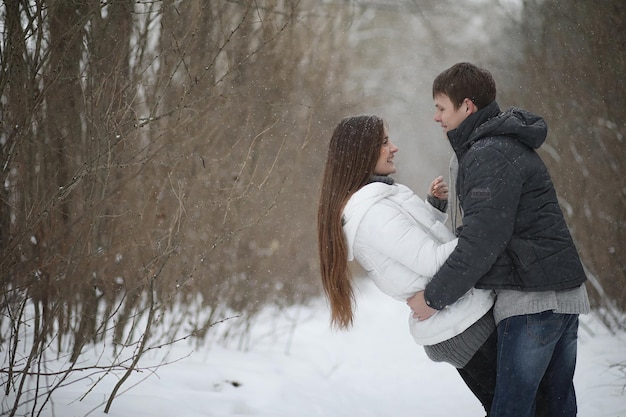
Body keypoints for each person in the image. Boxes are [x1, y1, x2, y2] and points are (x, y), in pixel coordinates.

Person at [407, 62, 590, 417]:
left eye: (441, 107)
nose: (436, 117)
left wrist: (433, 298)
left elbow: (481, 241)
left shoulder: (489, 153)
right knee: (553, 408)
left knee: (512, 409)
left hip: (533, 301)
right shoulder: (499, 146)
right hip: (558, 296)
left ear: (467, 106)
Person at [317, 114, 497, 415]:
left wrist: (432, 208)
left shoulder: (380, 199)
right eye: (385, 142)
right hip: (459, 322)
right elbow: (431, 261)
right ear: (362, 152)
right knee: (516, 406)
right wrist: (483, 231)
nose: (394, 147)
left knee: (514, 404)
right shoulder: (372, 213)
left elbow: (413, 247)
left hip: (457, 313)